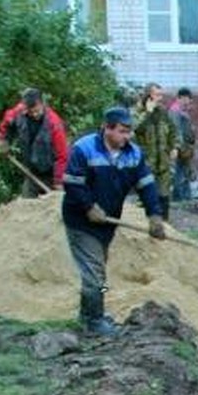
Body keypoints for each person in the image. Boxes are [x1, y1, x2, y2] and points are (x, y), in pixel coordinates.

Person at [61, 106, 166, 336]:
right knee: (95, 271)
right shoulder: (84, 149)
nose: (127, 136)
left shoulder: (134, 154)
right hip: (81, 221)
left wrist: (154, 215)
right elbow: (71, 182)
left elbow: (146, 185)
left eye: (129, 132)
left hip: (108, 223)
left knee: (96, 271)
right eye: (122, 131)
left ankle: (88, 315)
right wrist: (88, 206)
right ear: (106, 128)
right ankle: (95, 322)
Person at [0, 87, 69, 196]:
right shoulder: (19, 111)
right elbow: (7, 122)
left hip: (50, 173)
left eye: (37, 111)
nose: (34, 115)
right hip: (31, 171)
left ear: (42, 103)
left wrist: (58, 181)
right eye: (31, 112)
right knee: (27, 206)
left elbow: (62, 156)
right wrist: (3, 140)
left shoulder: (54, 123)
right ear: (25, 107)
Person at [133, 82, 178, 218]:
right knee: (147, 194)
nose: (161, 98)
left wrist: (175, 147)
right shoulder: (138, 113)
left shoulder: (163, 112)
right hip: (146, 162)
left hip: (163, 161)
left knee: (164, 195)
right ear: (149, 96)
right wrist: (148, 112)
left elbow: (173, 131)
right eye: (157, 95)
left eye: (161, 94)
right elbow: (135, 129)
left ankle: (165, 225)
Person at [167, 86, 196, 202]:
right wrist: (177, 147)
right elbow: (176, 130)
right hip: (181, 147)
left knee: (184, 171)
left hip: (184, 147)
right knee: (180, 172)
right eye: (189, 98)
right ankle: (179, 198)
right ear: (182, 98)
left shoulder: (180, 111)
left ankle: (185, 197)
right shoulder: (174, 111)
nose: (190, 101)